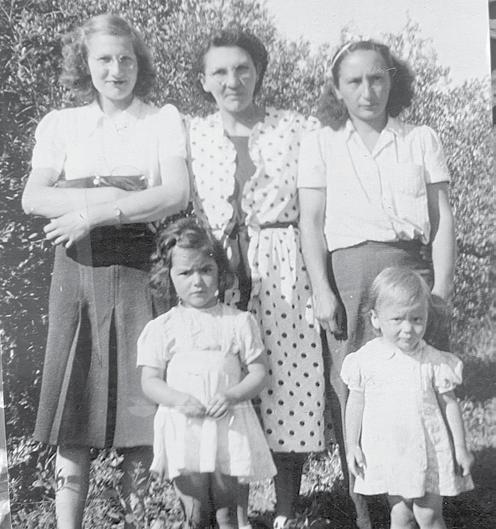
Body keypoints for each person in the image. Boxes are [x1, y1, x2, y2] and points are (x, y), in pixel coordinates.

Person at [21, 14, 189, 529]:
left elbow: (174, 194)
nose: (116, 71)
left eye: (126, 59)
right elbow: (34, 197)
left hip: (141, 264)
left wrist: (93, 212)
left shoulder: (161, 119)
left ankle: (137, 519)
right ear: (85, 63)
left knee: (140, 408)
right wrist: (118, 196)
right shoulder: (61, 123)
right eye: (104, 59)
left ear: (140, 62)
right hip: (77, 267)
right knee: (74, 408)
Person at [298, 40, 456, 529]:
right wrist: (322, 289)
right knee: (357, 392)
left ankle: (426, 507)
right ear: (337, 89)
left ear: (392, 80)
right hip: (349, 278)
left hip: (412, 277)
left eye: (377, 78)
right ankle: (371, 514)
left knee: (419, 387)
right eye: (354, 81)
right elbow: (311, 222)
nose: (367, 91)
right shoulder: (320, 142)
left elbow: (442, 221)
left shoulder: (421, 139)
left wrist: (441, 292)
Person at [188, 27, 327, 528]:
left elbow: (315, 210)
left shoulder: (298, 128)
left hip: (286, 267)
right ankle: (238, 513)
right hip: (220, 268)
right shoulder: (192, 133)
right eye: (220, 71)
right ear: (204, 80)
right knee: (228, 381)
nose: (233, 80)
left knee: (291, 382)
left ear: (259, 72)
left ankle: (286, 511)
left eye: (243, 68)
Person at [137, 217, 276, 529]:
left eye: (205, 270)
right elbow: (150, 381)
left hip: (229, 424)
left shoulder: (238, 322)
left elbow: (258, 373)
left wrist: (231, 395)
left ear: (220, 271)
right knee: (196, 512)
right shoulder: (162, 328)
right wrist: (177, 399)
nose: (197, 281)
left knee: (228, 513)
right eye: (185, 273)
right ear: (168, 275)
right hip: (184, 425)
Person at [341, 266, 473, 529]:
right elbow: (356, 402)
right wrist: (352, 444)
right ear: (376, 319)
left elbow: (449, 403)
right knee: (402, 515)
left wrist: (460, 447)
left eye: (416, 319)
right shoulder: (366, 360)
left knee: (428, 514)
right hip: (391, 450)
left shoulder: (433, 360)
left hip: (427, 450)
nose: (408, 328)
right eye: (397, 319)